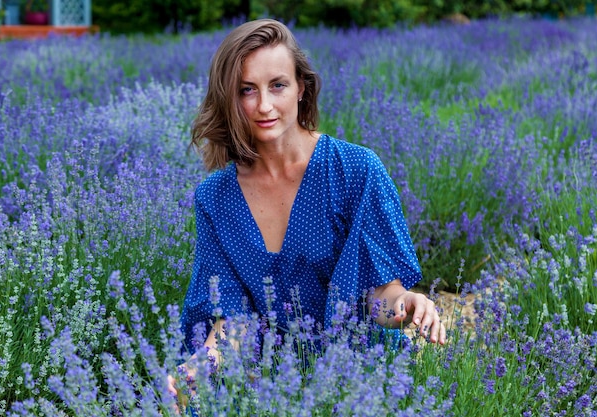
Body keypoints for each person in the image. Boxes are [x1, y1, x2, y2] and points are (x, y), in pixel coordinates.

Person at [170, 17, 445, 402]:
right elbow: (233, 321)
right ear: (229, 99)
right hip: (264, 383)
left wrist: (406, 303)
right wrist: (205, 363)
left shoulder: (356, 171)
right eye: (247, 90)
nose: (264, 105)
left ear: (302, 87)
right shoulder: (215, 197)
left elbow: (376, 294)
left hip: (355, 377)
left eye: (277, 85)